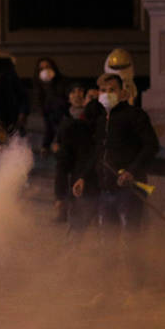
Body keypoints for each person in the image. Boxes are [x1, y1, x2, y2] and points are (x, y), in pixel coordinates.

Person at [71, 74, 159, 291]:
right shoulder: (101, 120)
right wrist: (82, 176)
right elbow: (98, 153)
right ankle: (107, 290)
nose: (106, 94)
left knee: (131, 242)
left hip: (128, 191)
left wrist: (131, 171)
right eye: (102, 90)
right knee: (106, 243)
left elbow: (151, 146)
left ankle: (135, 290)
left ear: (122, 92)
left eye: (111, 89)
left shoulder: (134, 116)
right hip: (105, 191)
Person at [53, 82, 98, 224]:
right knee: (62, 170)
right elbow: (58, 139)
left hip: (84, 157)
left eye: (80, 91)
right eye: (74, 92)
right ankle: (63, 204)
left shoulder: (91, 116)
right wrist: (57, 148)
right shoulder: (66, 118)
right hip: (68, 155)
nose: (78, 95)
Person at [33, 57, 68, 155]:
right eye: (42, 69)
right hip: (51, 129)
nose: (45, 70)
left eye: (47, 67)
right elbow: (47, 120)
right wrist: (45, 145)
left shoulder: (63, 83)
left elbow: (63, 110)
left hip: (64, 127)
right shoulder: (39, 90)